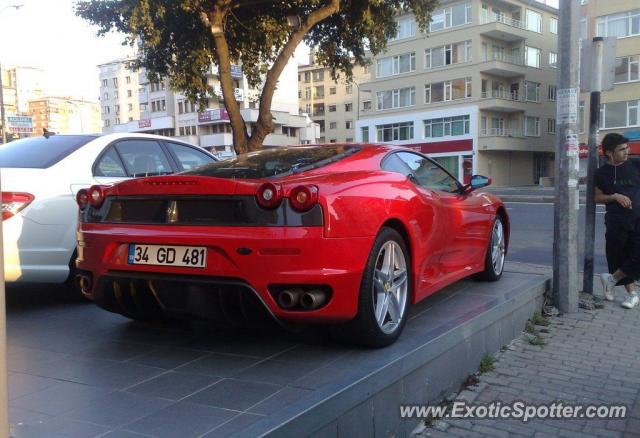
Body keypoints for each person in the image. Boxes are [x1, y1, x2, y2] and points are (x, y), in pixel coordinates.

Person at [595, 133, 640, 309]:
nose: (627, 152)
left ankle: (611, 279)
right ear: (608, 153)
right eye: (622, 149)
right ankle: (633, 295)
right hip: (616, 222)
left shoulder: (636, 165)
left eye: (627, 148)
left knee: (637, 257)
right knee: (620, 258)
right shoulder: (601, 173)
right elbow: (596, 198)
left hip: (638, 219)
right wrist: (614, 196)